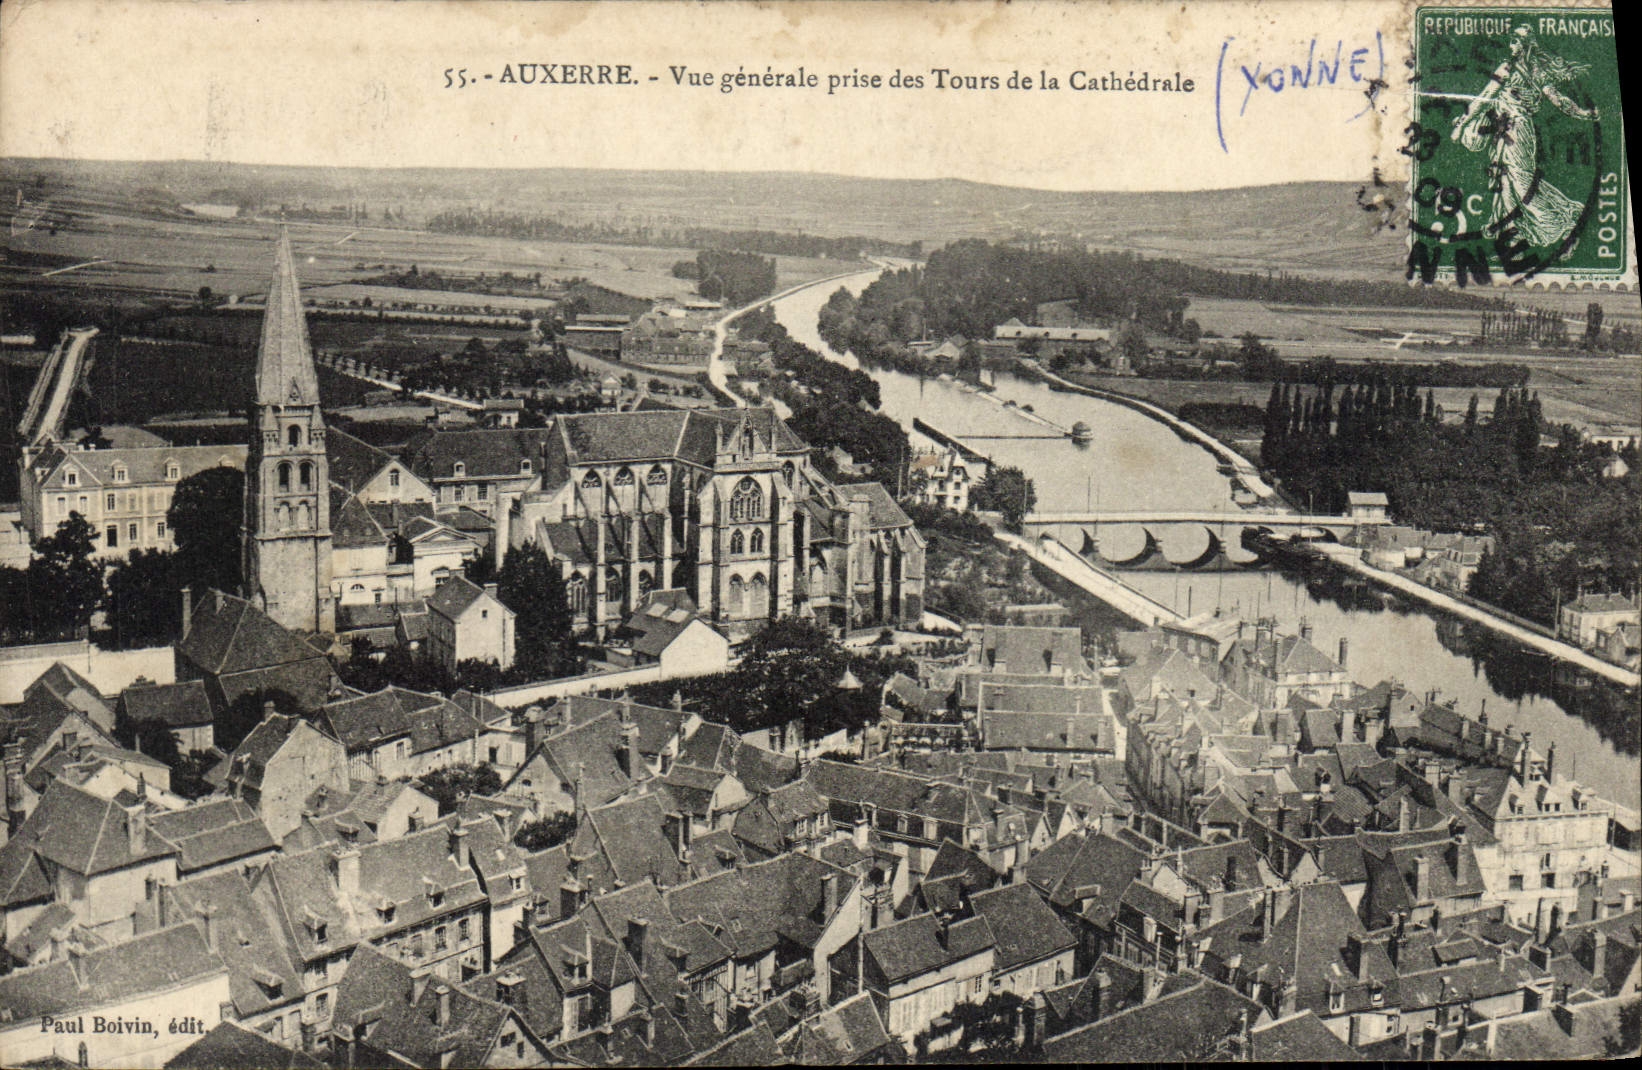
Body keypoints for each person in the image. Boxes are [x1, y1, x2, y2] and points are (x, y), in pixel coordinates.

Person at [1450, 26, 1600, 251]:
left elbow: (1485, 98)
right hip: (1507, 130)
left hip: (1516, 132)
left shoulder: (1513, 69)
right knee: (1505, 181)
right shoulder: (1529, 70)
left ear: (1525, 45)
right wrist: (1582, 113)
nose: (1511, 45)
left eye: (1515, 41)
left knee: (1521, 183)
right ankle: (1512, 233)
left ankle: (1557, 222)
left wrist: (1462, 124)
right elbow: (1486, 98)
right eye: (1511, 40)